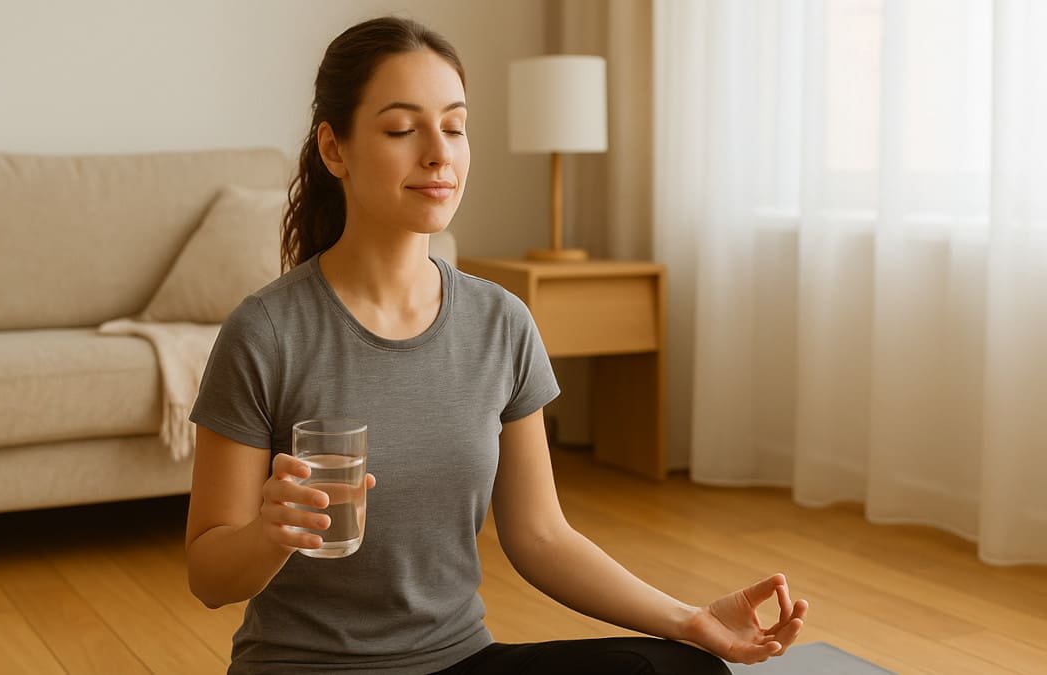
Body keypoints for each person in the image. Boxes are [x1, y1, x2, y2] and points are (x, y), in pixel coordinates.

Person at [184, 15, 808, 675]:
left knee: (682, 670)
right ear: (335, 149)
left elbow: (541, 536)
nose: (438, 153)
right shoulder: (267, 332)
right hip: (306, 667)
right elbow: (208, 573)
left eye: (453, 127)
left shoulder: (501, 322)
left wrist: (692, 620)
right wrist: (269, 534)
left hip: (459, 662)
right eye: (402, 129)